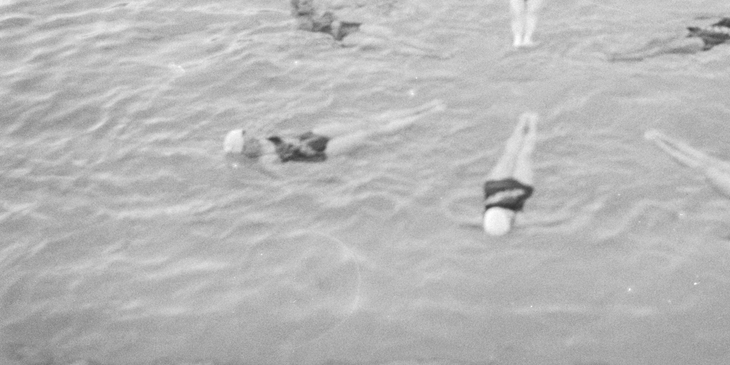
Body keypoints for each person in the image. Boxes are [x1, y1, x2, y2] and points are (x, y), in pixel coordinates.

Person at [224, 101, 445, 165]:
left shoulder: (263, 140)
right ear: (242, 151)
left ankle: (422, 107)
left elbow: (289, 137)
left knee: (367, 123)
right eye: (247, 141)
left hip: (308, 137)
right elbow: (291, 176)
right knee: (373, 134)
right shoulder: (265, 161)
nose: (251, 138)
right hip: (315, 154)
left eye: (248, 135)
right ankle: (428, 115)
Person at [609, 0, 730, 61]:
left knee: (666, 49)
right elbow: (707, 15)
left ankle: (624, 58)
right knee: (656, 41)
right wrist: (686, 16)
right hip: (698, 32)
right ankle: (626, 53)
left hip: (705, 42)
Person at [481, 112, 538, 237]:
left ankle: (533, 122)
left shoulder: (517, 219)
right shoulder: (484, 216)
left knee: (525, 155)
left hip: (519, 188)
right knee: (509, 154)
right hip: (493, 187)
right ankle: (522, 120)